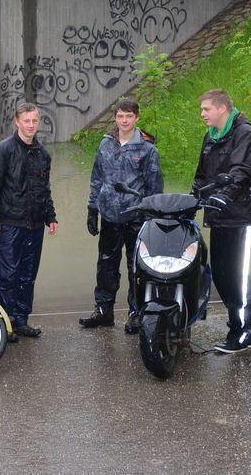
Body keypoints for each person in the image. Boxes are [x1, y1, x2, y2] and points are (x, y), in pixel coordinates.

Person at [192, 88, 251, 353]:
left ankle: (244, 330)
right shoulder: (211, 136)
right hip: (220, 217)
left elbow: (242, 172)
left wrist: (224, 195)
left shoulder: (245, 134)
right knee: (222, 275)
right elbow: (202, 175)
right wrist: (193, 197)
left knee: (241, 278)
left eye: (206, 109)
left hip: (244, 217)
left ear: (222, 108)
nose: (202, 114)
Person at [79, 99, 163, 333]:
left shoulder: (148, 150)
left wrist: (151, 218)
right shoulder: (106, 144)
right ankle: (103, 311)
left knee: (137, 268)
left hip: (136, 217)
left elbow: (154, 188)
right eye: (120, 116)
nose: (124, 121)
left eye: (129, 116)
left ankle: (136, 313)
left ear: (137, 118)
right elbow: (97, 178)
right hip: (109, 215)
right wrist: (92, 209)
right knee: (106, 265)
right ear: (115, 118)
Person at [0, 102, 59, 341]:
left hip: (34, 226)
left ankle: (21, 321)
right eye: (27, 121)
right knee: (7, 276)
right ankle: (2, 324)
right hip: (8, 225)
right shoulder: (3, 150)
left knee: (28, 275)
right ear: (17, 122)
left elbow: (44, 189)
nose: (31, 125)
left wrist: (50, 216)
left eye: (35, 121)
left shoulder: (43, 154)